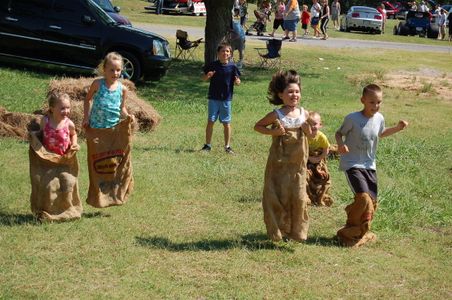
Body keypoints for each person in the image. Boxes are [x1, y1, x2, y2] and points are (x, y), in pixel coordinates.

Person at [335, 84, 408, 247]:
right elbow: (339, 133)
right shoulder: (352, 118)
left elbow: (381, 134)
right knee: (364, 198)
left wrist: (397, 128)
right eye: (372, 102)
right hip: (352, 163)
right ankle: (348, 230)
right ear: (363, 100)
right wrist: (340, 145)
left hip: (369, 165)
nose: (375, 106)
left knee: (372, 201)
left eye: (379, 102)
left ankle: (359, 230)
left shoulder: (379, 118)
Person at [254, 70, 313, 242]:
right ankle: (278, 231)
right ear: (281, 95)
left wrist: (308, 130)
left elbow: (311, 136)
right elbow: (258, 126)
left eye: (297, 91)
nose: (294, 95)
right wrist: (274, 131)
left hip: (298, 166)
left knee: (299, 196)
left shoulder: (304, 113)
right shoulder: (277, 114)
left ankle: (297, 232)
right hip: (279, 164)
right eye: (290, 92)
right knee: (278, 195)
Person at [201, 43, 241, 154]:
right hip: (213, 97)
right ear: (218, 53)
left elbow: (237, 81)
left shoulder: (233, 67)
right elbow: (203, 78)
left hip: (226, 99)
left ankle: (227, 146)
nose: (225, 53)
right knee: (210, 121)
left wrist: (237, 82)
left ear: (230, 54)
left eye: (227, 51)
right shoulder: (213, 65)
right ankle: (207, 145)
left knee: (226, 123)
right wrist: (207, 76)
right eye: (222, 51)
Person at [83, 52, 129, 129]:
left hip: (113, 129)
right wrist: (86, 117)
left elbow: (122, 108)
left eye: (118, 70)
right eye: (112, 70)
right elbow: (87, 100)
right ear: (104, 69)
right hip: (96, 127)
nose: (115, 73)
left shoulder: (123, 89)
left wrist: (128, 117)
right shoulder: (97, 84)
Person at [306, 111, 333, 207]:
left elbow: (326, 149)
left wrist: (318, 158)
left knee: (323, 175)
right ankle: (307, 194)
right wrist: (308, 158)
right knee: (305, 175)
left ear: (320, 125)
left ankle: (319, 193)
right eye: (309, 124)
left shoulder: (322, 137)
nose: (312, 127)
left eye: (315, 124)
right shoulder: (304, 136)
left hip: (318, 159)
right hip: (305, 158)